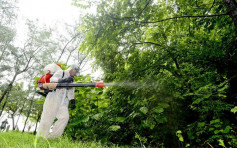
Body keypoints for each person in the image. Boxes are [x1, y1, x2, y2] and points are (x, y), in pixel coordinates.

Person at [37, 64, 77, 138]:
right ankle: (41, 137)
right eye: (75, 71)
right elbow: (53, 80)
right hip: (54, 97)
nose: (75, 74)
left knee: (64, 117)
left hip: (63, 101)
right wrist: (64, 80)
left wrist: (72, 101)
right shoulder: (61, 72)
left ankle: (53, 137)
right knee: (48, 117)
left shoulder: (72, 79)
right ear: (71, 69)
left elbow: (71, 91)